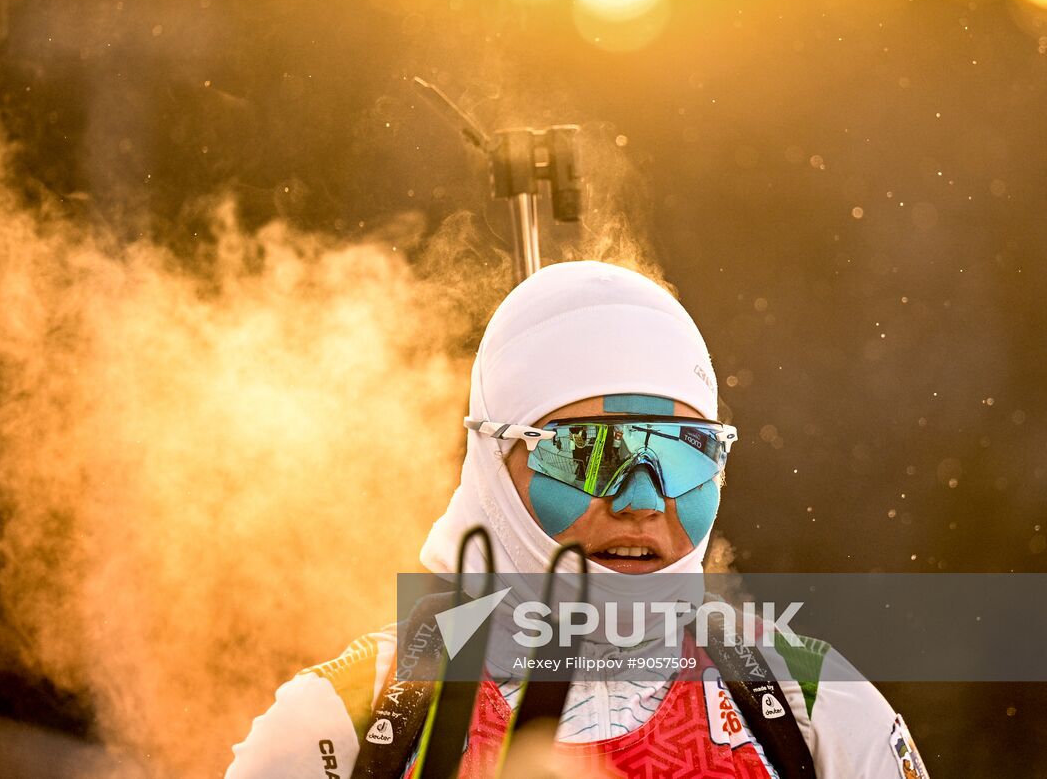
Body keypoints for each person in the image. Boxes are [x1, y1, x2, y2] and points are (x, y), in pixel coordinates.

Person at [226, 261, 928, 778]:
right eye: (587, 453)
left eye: (684, 453)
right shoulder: (345, 724)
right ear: (493, 462)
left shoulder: (814, 706)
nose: (642, 500)